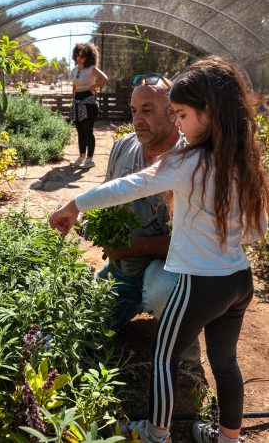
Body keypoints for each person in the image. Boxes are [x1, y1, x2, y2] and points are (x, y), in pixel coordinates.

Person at [50, 56, 268, 443]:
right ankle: (229, 438)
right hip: (237, 279)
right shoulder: (241, 158)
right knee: (226, 363)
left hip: (199, 285)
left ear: (209, 112)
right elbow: (256, 233)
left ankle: (155, 434)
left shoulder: (188, 160)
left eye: (182, 114)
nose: (179, 123)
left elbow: (128, 186)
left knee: (164, 360)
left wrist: (74, 205)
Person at [97, 73, 200, 365]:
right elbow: (107, 202)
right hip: (122, 271)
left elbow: (190, 243)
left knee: (161, 290)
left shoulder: (190, 160)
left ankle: (185, 345)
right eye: (133, 110)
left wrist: (129, 246)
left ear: (171, 113)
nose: (137, 120)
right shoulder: (121, 147)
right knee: (90, 322)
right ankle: (130, 298)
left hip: (170, 271)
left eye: (147, 110)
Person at [69, 43, 108, 168]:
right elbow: (74, 86)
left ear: (88, 57)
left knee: (88, 131)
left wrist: (94, 86)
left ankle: (89, 159)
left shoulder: (91, 68)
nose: (79, 58)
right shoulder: (74, 70)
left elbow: (104, 78)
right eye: (77, 55)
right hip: (77, 102)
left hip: (89, 102)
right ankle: (81, 157)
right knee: (80, 131)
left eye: (82, 56)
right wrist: (73, 100)